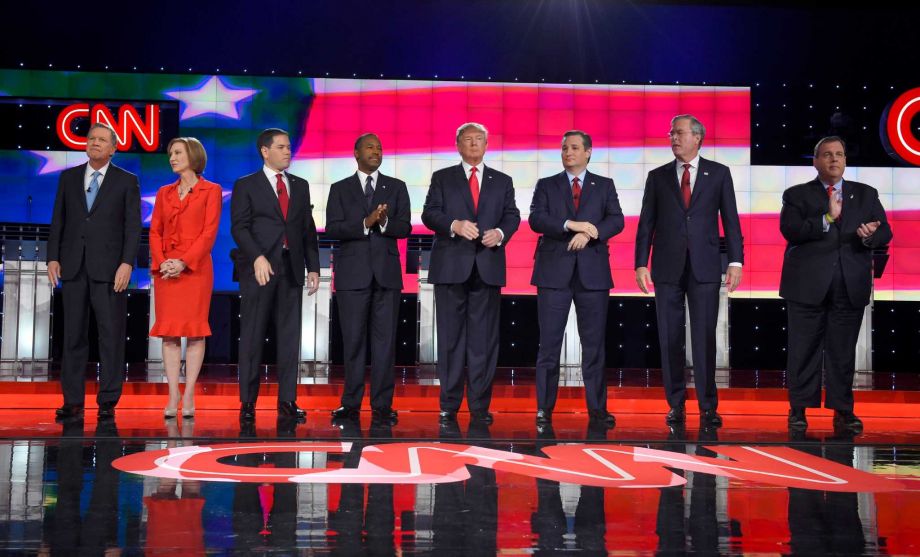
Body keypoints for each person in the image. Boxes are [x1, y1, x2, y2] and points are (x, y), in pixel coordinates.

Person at [634, 114, 744, 428]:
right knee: (669, 337)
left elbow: (731, 220)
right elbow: (646, 224)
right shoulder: (657, 177)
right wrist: (641, 262)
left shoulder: (719, 174)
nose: (673, 138)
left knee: (704, 338)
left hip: (706, 266)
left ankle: (708, 406)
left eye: (679, 133)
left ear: (697, 137)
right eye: (671, 133)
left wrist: (735, 261)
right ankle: (676, 404)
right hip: (667, 267)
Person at [780, 136, 892, 433]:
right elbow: (791, 230)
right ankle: (799, 409)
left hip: (849, 283)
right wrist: (827, 217)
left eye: (839, 154)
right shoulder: (797, 195)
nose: (834, 159)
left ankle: (843, 411)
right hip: (807, 286)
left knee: (842, 352)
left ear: (845, 160)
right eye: (827, 155)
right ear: (816, 161)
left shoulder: (866, 194)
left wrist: (870, 234)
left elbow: (885, 232)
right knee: (803, 350)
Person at [421, 122, 520, 424]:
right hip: (452, 266)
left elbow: (512, 215)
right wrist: (454, 225)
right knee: (450, 339)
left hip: (487, 266)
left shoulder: (502, 180)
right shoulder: (443, 178)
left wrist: (501, 233)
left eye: (479, 139)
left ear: (487, 144)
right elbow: (429, 214)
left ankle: (479, 406)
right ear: (458, 144)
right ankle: (449, 405)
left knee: (483, 341)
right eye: (468, 139)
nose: (474, 144)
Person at [528, 130, 624, 428]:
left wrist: (590, 231)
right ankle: (544, 409)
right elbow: (536, 218)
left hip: (593, 275)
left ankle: (597, 409)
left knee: (593, 345)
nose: (568, 152)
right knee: (549, 346)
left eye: (574, 147)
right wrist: (571, 224)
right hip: (553, 272)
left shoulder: (604, 185)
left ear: (588, 152)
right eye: (564, 148)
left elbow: (616, 219)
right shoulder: (547, 185)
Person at [47, 122, 142, 420]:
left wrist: (127, 262)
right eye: (91, 139)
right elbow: (58, 220)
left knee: (110, 335)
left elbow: (132, 226)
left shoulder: (127, 181)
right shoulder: (69, 178)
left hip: (111, 268)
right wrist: (52, 257)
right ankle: (72, 400)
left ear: (113, 148)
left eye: (102, 140)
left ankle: (108, 401)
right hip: (74, 266)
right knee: (73, 336)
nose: (95, 143)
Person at [230, 128, 320, 423]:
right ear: (265, 152)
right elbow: (239, 227)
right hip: (258, 269)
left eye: (288, 147)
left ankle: (287, 401)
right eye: (281, 147)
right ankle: (247, 403)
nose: (287, 152)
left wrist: (314, 268)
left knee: (289, 337)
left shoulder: (300, 185)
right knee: (253, 336)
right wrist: (257, 257)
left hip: (291, 268)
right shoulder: (246, 185)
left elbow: (307, 231)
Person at [326, 133, 411, 424]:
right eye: (370, 147)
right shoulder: (340, 189)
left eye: (379, 147)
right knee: (353, 343)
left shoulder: (396, 187)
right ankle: (350, 404)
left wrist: (384, 222)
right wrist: (365, 223)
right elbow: (333, 228)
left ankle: (382, 406)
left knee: (385, 344)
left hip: (386, 277)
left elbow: (405, 227)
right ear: (356, 152)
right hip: (352, 277)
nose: (376, 151)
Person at [149, 137, 222, 418]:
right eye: (170, 153)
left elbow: (209, 233)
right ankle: (172, 393)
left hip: (195, 270)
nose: (172, 158)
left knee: (194, 332)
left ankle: (189, 392)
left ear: (193, 156)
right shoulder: (163, 192)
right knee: (168, 332)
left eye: (177, 152)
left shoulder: (211, 190)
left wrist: (183, 262)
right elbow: (154, 231)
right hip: (165, 270)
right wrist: (163, 262)